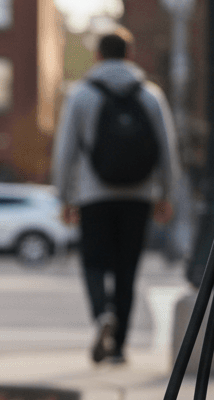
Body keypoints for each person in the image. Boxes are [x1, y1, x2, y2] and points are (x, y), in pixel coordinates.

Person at [52, 27, 179, 364]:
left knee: (93, 261)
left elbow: (65, 150)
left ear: (97, 56)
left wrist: (64, 196)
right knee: (127, 269)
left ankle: (101, 315)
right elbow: (168, 148)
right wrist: (166, 194)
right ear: (130, 54)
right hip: (138, 196)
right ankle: (119, 346)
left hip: (94, 195)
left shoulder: (81, 95)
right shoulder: (150, 95)